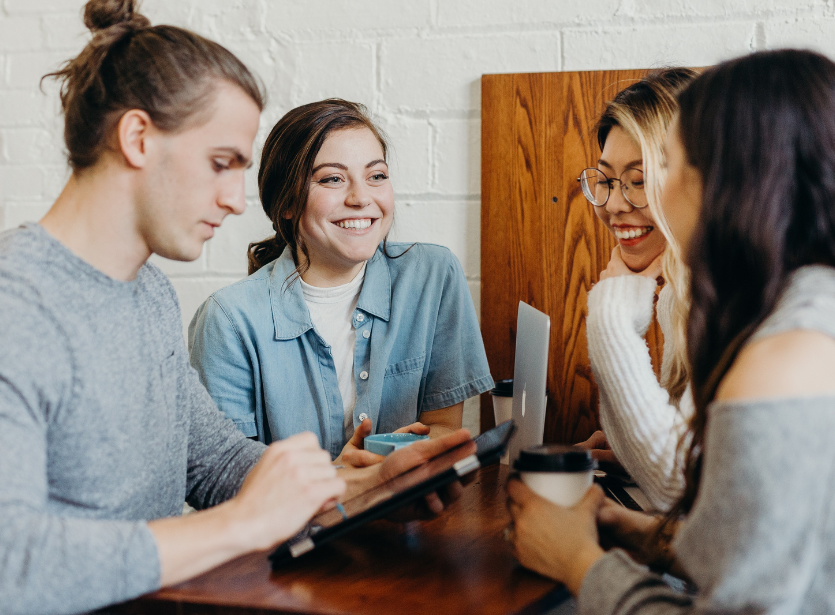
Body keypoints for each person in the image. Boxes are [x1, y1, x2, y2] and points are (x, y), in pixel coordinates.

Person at [0, 3, 472, 614]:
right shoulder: (18, 306)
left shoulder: (147, 292)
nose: (233, 199)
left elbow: (216, 461)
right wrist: (243, 525)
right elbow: (11, 565)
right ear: (137, 138)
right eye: (221, 164)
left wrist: (351, 489)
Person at [508, 48, 835, 613]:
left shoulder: (785, 355)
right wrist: (644, 536)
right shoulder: (797, 310)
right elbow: (757, 550)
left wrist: (578, 563)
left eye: (671, 164)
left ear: (731, 180)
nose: (622, 203)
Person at [188, 99, 493, 465]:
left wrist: (396, 462)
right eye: (332, 178)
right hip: (296, 522)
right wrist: (344, 479)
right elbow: (227, 478)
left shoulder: (433, 276)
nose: (361, 197)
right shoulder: (228, 320)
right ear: (285, 203)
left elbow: (443, 428)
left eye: (376, 176)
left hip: (407, 515)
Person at [576, 68, 698, 511]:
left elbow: (678, 488)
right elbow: (687, 469)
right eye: (606, 180)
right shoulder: (679, 295)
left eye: (639, 179)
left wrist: (610, 317)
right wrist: (631, 450)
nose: (613, 204)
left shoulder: (732, 299)